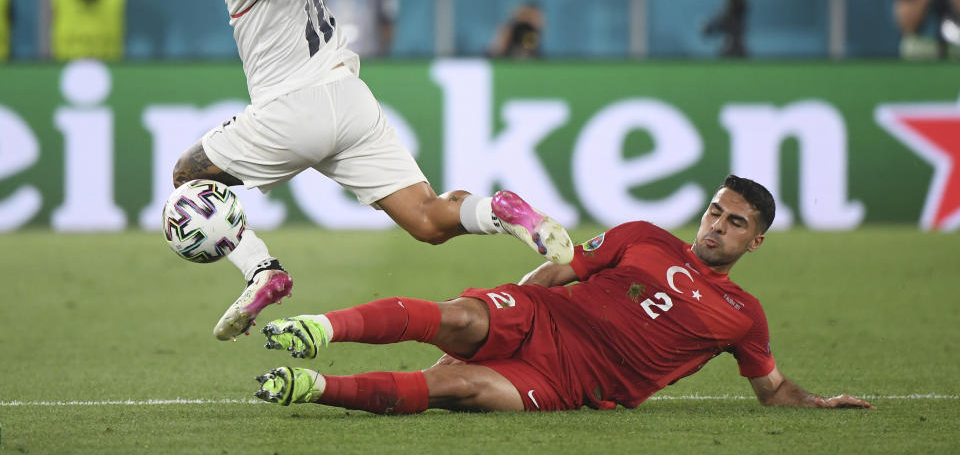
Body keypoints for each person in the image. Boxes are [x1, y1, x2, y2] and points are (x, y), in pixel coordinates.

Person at [54, 0, 573, 342]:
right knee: (428, 220)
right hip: (349, 101)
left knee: (188, 176)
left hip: (294, 108)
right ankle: (500, 210)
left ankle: (262, 272)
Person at [252, 176, 875, 414]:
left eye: (734, 223)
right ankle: (320, 329)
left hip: (574, 383)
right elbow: (560, 270)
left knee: (460, 389)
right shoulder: (644, 236)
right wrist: (504, 310)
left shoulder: (744, 317)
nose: (716, 226)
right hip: (541, 316)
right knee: (458, 318)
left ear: (755, 242)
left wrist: (817, 404)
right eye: (715, 212)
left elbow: (772, 389)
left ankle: (312, 388)